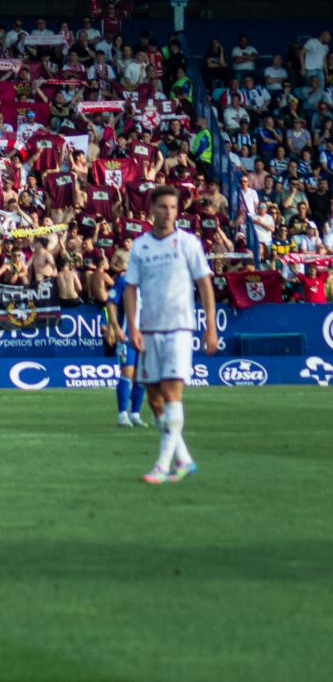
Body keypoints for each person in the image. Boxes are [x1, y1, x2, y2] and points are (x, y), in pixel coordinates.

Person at [123, 185, 218, 485]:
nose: (168, 212)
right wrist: (133, 327)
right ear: (151, 209)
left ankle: (162, 465)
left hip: (179, 328)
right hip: (149, 329)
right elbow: (130, 289)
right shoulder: (140, 246)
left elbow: (204, 284)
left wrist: (210, 325)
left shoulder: (188, 243)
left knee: (172, 395)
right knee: (154, 400)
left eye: (173, 207)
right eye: (163, 207)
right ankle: (185, 459)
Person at [102, 299, 146, 428]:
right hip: (126, 337)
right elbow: (111, 303)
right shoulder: (124, 282)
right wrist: (114, 327)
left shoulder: (148, 282)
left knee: (140, 375)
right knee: (127, 372)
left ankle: (135, 414)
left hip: (145, 336)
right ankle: (122, 415)